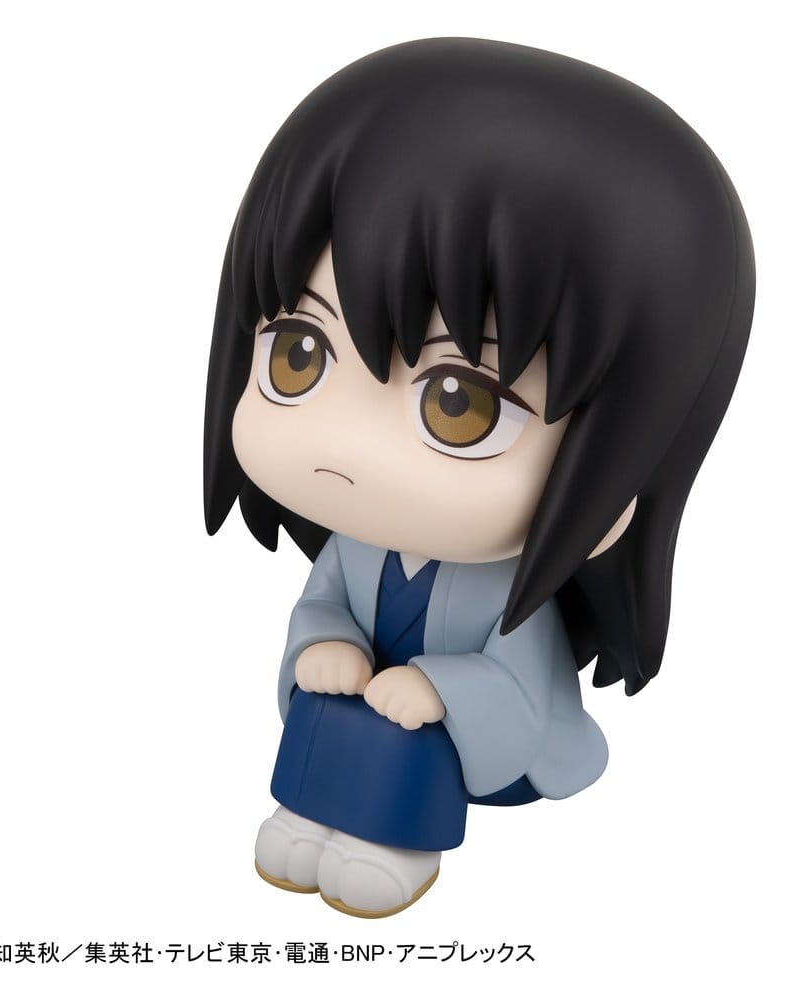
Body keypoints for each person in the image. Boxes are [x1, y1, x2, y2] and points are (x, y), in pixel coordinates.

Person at [203, 38, 755, 917]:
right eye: (298, 355)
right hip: (362, 724)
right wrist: (322, 644)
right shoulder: (355, 549)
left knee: (405, 729)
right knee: (326, 695)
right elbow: (321, 607)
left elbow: (518, 692)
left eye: (458, 405)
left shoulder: (506, 592)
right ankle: (306, 814)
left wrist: (437, 692)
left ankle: (396, 846)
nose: (345, 447)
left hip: (476, 758)